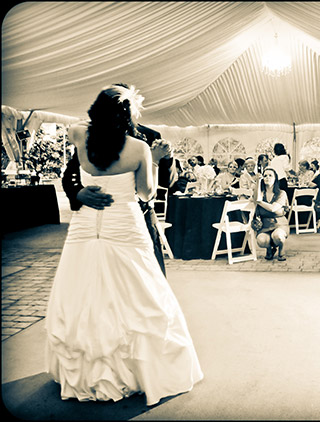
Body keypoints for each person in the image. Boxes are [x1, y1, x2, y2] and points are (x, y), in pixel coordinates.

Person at [47, 84, 203, 406]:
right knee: (140, 293)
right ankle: (140, 369)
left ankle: (86, 368)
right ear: (129, 112)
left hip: (88, 225)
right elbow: (146, 193)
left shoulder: (78, 133)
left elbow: (81, 155)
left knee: (81, 290)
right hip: (123, 222)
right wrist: (155, 161)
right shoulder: (140, 147)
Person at [61, 94, 177, 277]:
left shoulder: (150, 137)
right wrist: (77, 192)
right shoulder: (89, 138)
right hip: (96, 218)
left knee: (147, 274)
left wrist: (168, 158)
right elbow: (69, 175)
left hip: (140, 217)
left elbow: (166, 182)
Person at [252, 167, 289, 261]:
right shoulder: (261, 194)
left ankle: (281, 249)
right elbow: (255, 197)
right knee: (261, 241)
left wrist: (259, 202)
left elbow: (273, 208)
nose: (267, 177)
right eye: (265, 176)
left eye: (270, 175)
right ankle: (269, 249)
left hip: (279, 224)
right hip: (265, 225)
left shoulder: (281, 193)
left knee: (278, 237)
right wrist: (257, 182)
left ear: (275, 178)